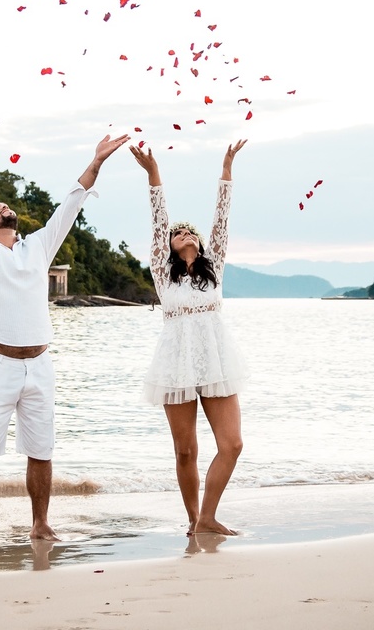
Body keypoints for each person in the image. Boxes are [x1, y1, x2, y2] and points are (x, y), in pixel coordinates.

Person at [0, 109, 129, 549]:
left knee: (41, 450)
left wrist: (96, 161)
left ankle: (41, 524)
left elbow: (71, 204)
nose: (2, 206)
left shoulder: (38, 247)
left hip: (40, 365)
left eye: (3, 204)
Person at [129, 139, 249, 536]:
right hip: (175, 363)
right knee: (185, 450)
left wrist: (227, 168)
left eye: (189, 231)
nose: (184, 233)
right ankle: (194, 520)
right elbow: (158, 218)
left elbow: (222, 216)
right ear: (168, 245)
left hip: (216, 360)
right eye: (177, 233)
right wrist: (153, 174)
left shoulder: (215, 268)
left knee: (232, 444)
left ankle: (207, 518)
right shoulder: (163, 275)